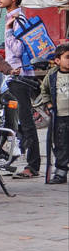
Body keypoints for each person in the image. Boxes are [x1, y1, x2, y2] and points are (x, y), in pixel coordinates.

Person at [0, 0, 41, 179]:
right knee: (13, 121)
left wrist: (8, 29)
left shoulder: (17, 19)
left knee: (25, 122)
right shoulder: (12, 17)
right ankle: (10, 160)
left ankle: (33, 166)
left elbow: (18, 49)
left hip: (21, 77)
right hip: (13, 77)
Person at [37, 43, 69, 184]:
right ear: (57, 61)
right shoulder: (52, 76)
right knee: (61, 146)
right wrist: (49, 105)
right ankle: (60, 174)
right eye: (67, 57)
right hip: (61, 117)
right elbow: (44, 91)